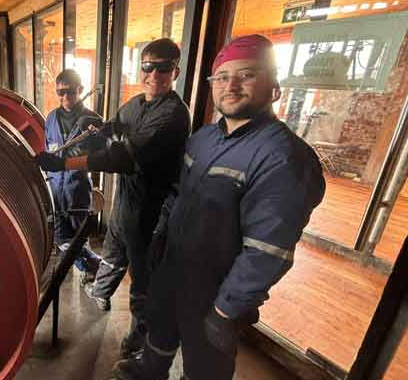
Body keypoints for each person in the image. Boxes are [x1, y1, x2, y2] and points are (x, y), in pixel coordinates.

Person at [113, 35, 326, 380]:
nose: (232, 85)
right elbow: (178, 196)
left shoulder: (284, 158)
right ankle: (149, 371)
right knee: (161, 331)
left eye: (247, 74)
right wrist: (158, 243)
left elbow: (267, 250)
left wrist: (226, 311)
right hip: (174, 267)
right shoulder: (203, 139)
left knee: (205, 365)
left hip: (215, 290)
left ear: (274, 86)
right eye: (223, 77)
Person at [36, 38, 191, 360]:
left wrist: (64, 163)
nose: (154, 74)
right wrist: (97, 127)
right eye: (148, 67)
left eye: (163, 68)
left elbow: (121, 159)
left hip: (153, 208)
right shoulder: (136, 104)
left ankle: (139, 340)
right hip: (126, 200)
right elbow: (114, 129)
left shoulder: (173, 115)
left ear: (174, 71)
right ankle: (101, 293)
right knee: (112, 251)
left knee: (143, 276)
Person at [44, 69, 103, 285]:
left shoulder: (93, 120)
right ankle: (90, 264)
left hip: (77, 189)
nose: (64, 97)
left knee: (78, 237)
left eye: (69, 92)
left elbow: (102, 157)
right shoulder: (50, 118)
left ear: (80, 90)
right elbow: (48, 148)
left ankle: (91, 266)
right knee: (61, 237)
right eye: (60, 92)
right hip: (55, 189)